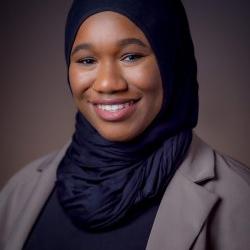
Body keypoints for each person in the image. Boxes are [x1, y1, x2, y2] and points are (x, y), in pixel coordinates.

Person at [0, 0, 249, 249]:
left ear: (172, 61)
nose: (108, 83)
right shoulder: (20, 190)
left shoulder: (240, 198)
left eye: (131, 56)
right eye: (87, 60)